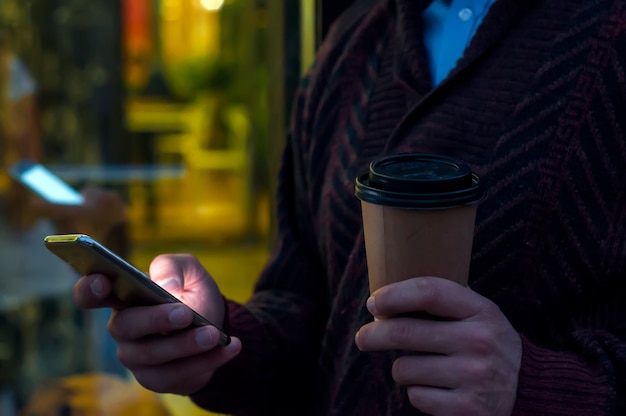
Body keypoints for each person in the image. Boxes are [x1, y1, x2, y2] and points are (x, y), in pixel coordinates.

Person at [72, 0, 626, 415]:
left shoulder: (605, 36)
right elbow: (306, 309)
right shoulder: (352, 44)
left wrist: (535, 385)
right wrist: (214, 337)